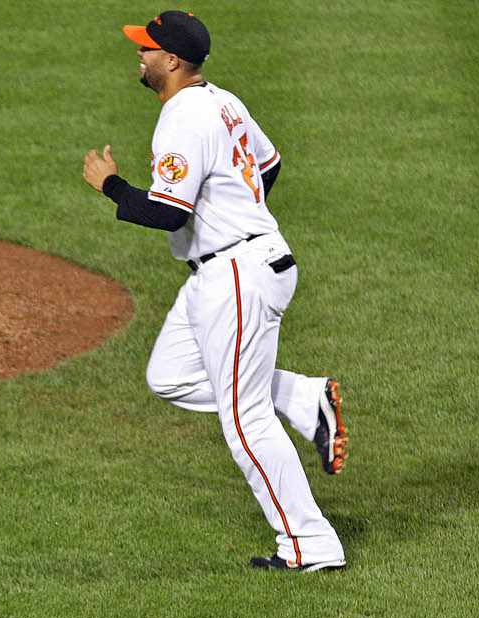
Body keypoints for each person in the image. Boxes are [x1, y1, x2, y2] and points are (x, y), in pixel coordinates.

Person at [82, 11, 349, 572]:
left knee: (244, 418)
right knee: (171, 374)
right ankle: (301, 398)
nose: (140, 56)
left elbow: (165, 211)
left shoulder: (182, 118)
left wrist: (110, 185)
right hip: (240, 264)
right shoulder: (224, 101)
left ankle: (309, 544)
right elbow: (268, 166)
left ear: (172, 61)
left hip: (235, 273)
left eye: (148, 49)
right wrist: (235, 208)